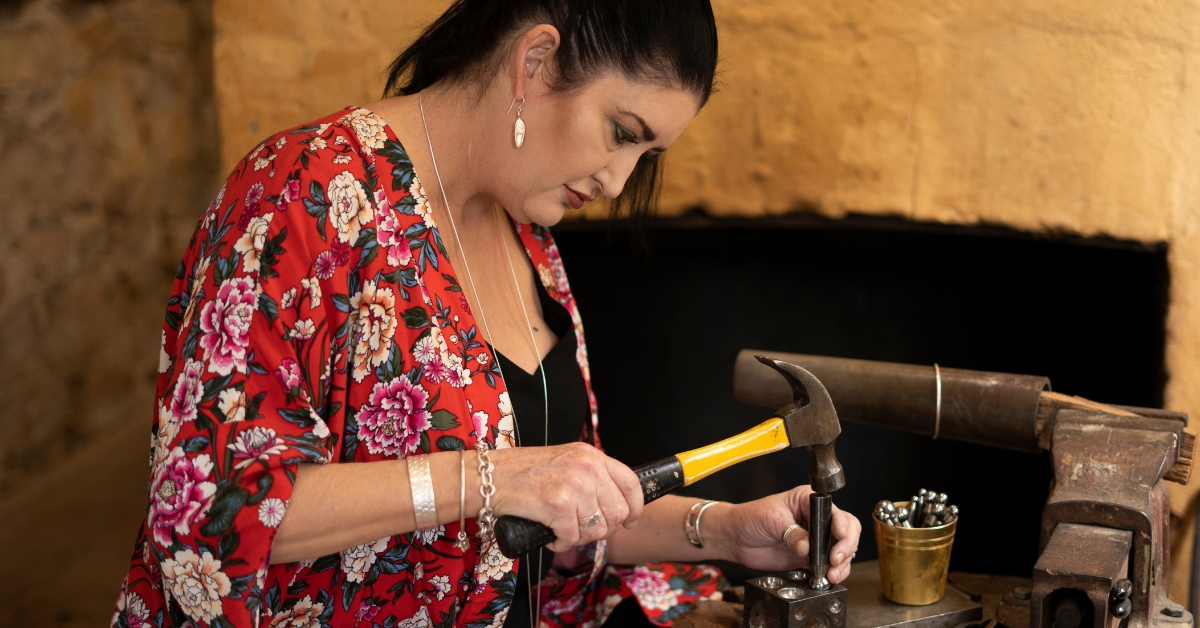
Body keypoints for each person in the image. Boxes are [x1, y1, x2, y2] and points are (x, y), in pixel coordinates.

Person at [112, 1, 862, 627]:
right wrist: (484, 477)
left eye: (647, 156)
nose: (617, 178)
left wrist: (728, 530)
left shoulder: (525, 231)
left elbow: (548, 507)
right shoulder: (301, 195)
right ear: (534, 60)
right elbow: (210, 509)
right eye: (623, 133)